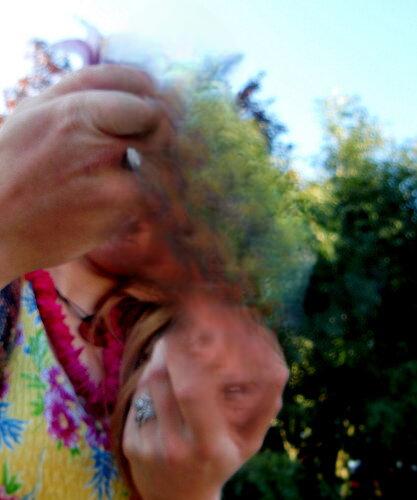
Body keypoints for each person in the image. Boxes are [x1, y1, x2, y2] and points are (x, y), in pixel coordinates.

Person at [0, 43, 288, 500]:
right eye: (137, 155)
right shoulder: (15, 274)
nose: (153, 190)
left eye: (183, 182)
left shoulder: (180, 355)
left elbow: (170, 452)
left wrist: (188, 493)